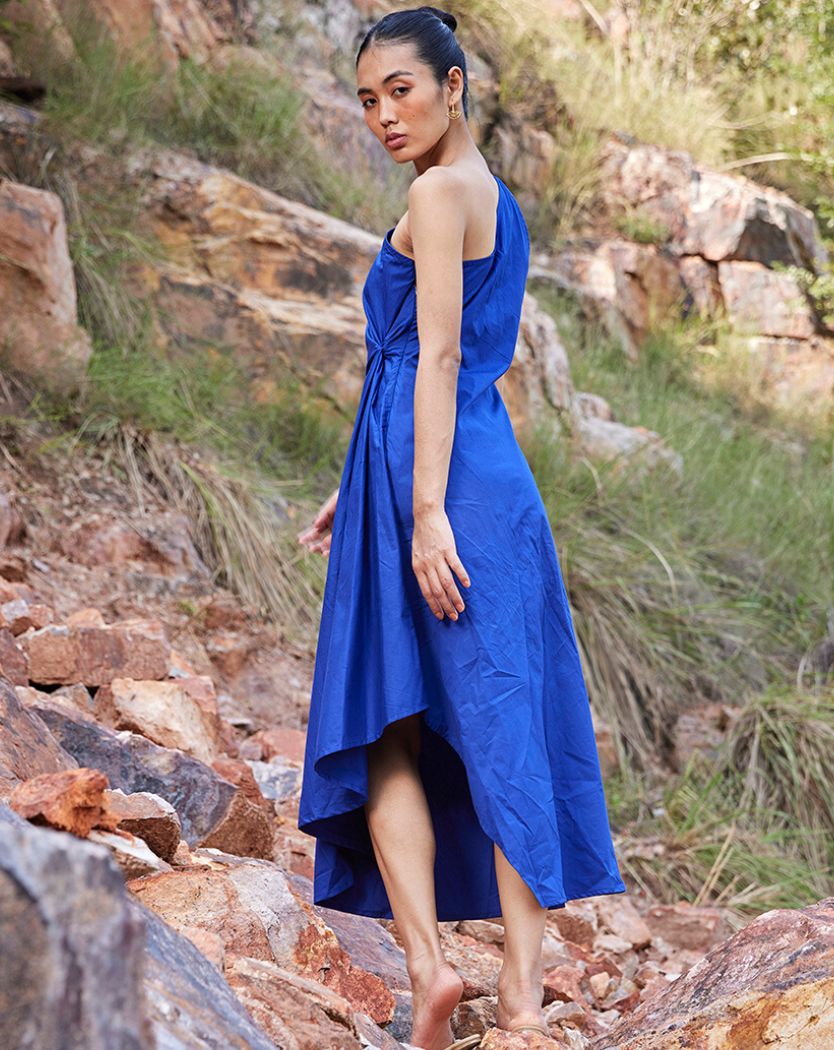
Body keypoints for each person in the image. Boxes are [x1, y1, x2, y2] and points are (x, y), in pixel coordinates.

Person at [297, 7, 626, 1050]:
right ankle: (517, 994)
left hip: (438, 482)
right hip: (461, 466)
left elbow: (435, 356)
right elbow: (446, 363)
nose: (384, 116)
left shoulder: (436, 193)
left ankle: (431, 967)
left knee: (386, 722)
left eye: (401, 90)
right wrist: (365, 486)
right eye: (367, 100)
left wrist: (425, 509)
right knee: (503, 718)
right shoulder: (496, 198)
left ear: (453, 84)